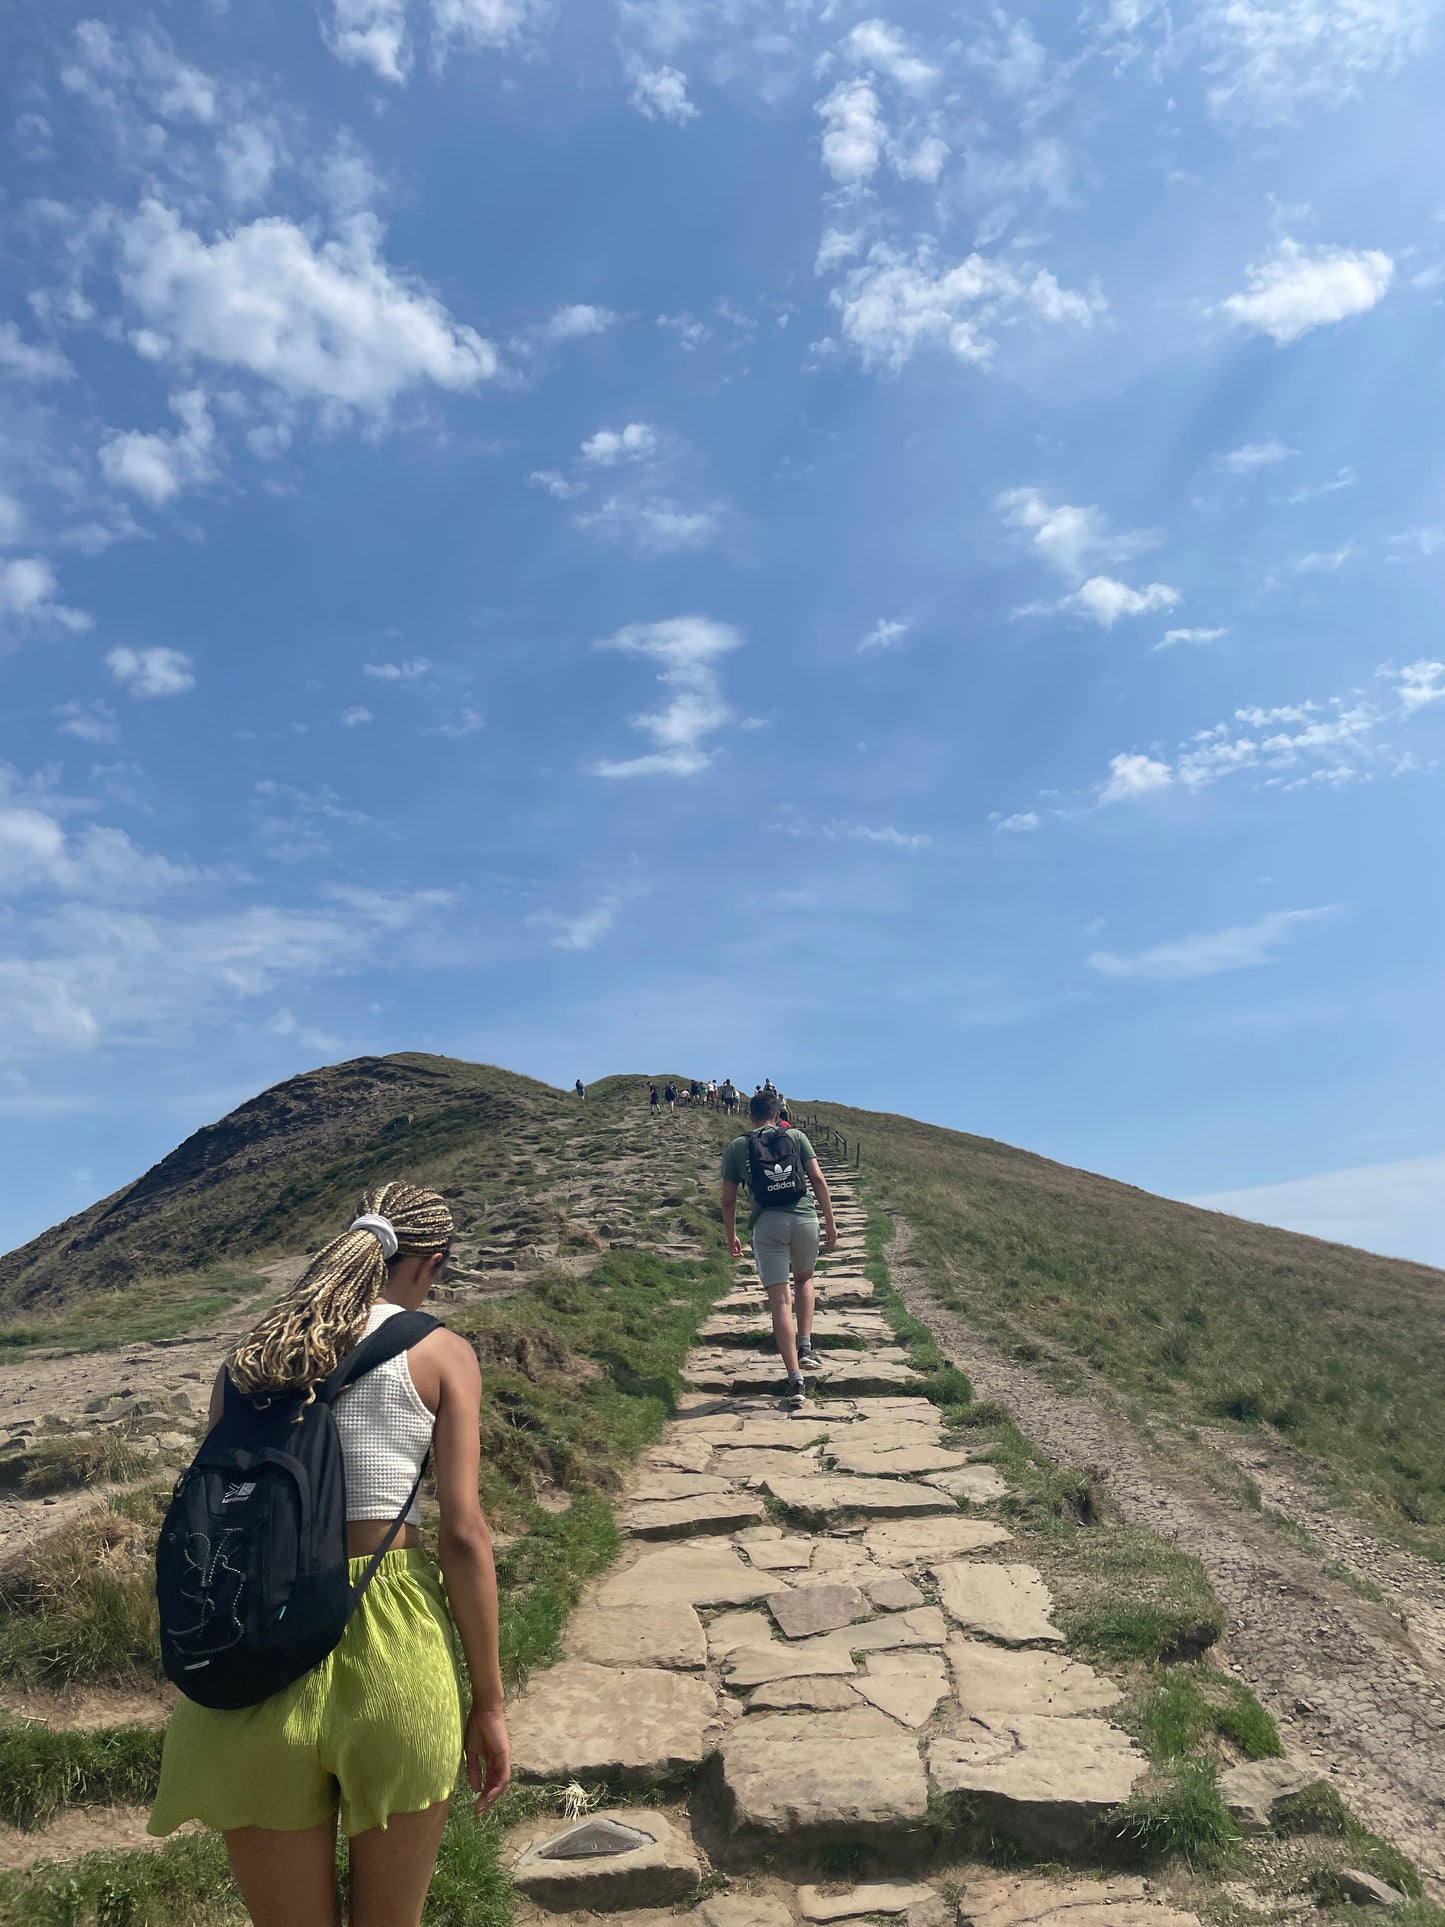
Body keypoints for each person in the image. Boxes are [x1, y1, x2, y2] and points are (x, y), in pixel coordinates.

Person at [147, 1181, 510, 1927]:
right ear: (428, 1262)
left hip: (256, 1630)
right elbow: (464, 1533)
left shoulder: (250, 1357)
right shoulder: (442, 1351)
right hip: (390, 1629)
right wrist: (491, 1701)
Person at [721, 1092, 837, 1408]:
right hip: (803, 1219)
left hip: (766, 1225)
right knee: (805, 1280)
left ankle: (795, 1379)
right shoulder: (796, 1136)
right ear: (778, 1113)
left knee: (779, 1300)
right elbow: (818, 1180)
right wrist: (829, 1221)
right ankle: (806, 1345)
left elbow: (728, 1200)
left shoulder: (736, 1147)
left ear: (750, 1116)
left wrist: (731, 1235)